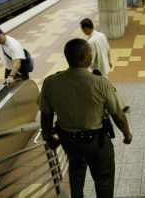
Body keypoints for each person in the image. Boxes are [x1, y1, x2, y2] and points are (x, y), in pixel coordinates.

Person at [39, 38, 132, 198]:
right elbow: (118, 115)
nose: (92, 55)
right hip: (96, 142)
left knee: (76, 169)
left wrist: (48, 137)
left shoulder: (50, 83)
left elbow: (46, 115)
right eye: (90, 52)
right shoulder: (100, 83)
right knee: (103, 179)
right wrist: (127, 134)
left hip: (68, 140)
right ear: (84, 58)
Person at [80, 18, 130, 113]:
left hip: (98, 70)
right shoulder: (101, 35)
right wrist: (109, 61)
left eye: (82, 29)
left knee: (108, 88)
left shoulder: (91, 42)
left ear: (86, 28)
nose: (83, 31)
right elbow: (108, 49)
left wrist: (85, 69)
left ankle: (121, 106)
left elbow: (91, 59)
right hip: (105, 65)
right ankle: (121, 105)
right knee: (107, 87)